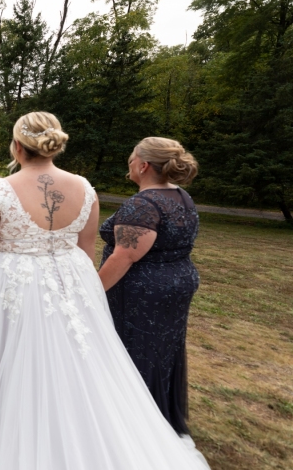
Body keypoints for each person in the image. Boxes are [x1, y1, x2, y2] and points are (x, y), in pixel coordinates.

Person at [0, 112, 209, 470]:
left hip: (13, 282)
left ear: (18, 146)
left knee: (11, 352)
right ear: (53, 145)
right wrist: (76, 285)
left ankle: (9, 427)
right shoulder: (86, 188)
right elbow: (84, 249)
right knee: (77, 357)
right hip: (71, 277)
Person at [98, 137, 200, 435]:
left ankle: (133, 421)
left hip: (143, 291)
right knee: (163, 349)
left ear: (143, 165)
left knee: (137, 349)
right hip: (178, 281)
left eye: (131, 158)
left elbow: (124, 257)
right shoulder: (181, 196)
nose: (128, 162)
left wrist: (89, 293)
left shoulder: (142, 205)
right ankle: (158, 411)